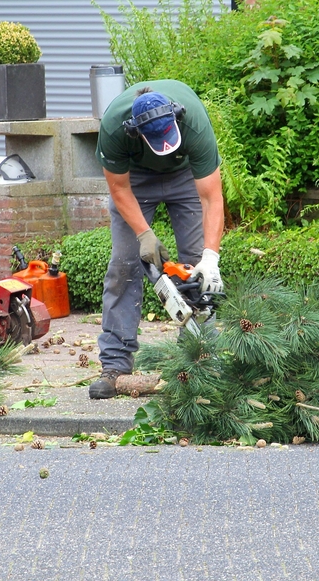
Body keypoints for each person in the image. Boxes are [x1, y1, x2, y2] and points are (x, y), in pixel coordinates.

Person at [89, 79, 225, 399]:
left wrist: (211, 258)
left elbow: (211, 197)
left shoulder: (193, 121)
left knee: (196, 265)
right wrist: (144, 234)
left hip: (184, 174)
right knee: (124, 265)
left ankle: (199, 358)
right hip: (135, 178)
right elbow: (119, 188)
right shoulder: (114, 128)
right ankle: (115, 364)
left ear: (176, 117)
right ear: (136, 131)